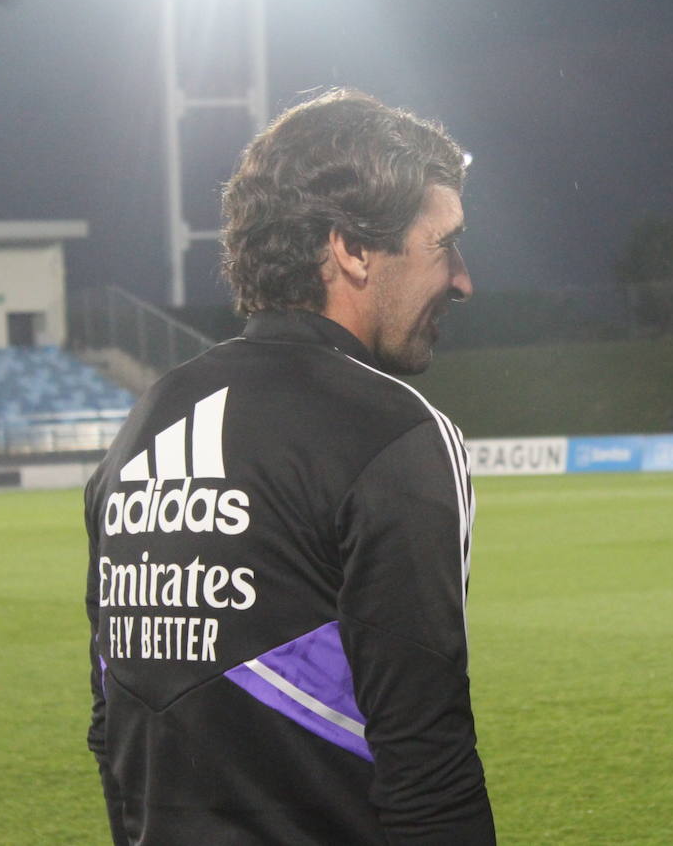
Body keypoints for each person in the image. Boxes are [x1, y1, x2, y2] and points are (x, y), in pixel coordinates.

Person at [85, 89, 494, 844]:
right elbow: (427, 767)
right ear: (351, 248)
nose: (462, 279)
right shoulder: (393, 435)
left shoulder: (148, 421)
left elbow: (114, 728)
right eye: (444, 245)